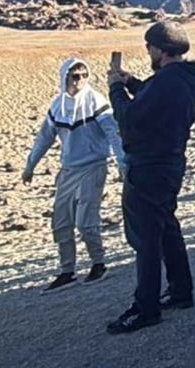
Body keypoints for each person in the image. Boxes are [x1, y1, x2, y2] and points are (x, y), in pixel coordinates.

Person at [105, 21, 195, 335]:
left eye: (149, 47)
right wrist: (132, 82)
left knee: (146, 237)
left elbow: (130, 118)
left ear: (161, 50)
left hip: (149, 166)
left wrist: (116, 89)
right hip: (170, 163)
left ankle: (146, 308)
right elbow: (154, 94)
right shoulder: (185, 77)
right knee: (167, 227)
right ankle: (180, 289)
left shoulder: (167, 82)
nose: (147, 51)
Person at [22, 58, 125, 292]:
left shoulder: (96, 102)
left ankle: (98, 263)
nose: (79, 81)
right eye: (74, 76)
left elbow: (113, 133)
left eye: (83, 76)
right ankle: (67, 271)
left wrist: (122, 162)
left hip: (93, 166)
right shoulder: (57, 106)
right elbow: (45, 137)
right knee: (61, 220)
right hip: (68, 170)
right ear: (64, 77)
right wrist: (30, 166)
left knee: (86, 221)